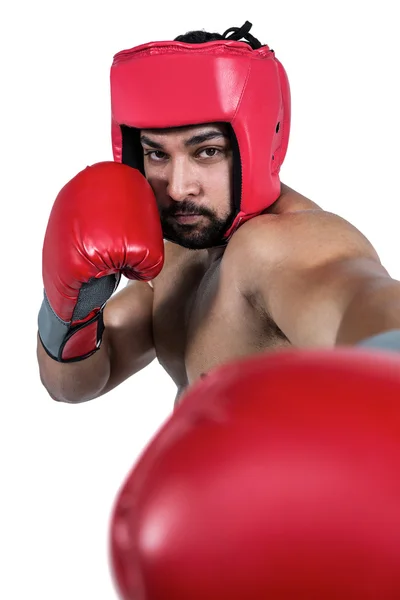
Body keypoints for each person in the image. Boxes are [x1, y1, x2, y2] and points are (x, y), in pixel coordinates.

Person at [36, 21, 400, 408]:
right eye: (158, 154)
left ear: (255, 146)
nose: (178, 188)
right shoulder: (177, 250)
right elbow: (73, 384)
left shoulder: (284, 246)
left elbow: (364, 304)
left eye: (206, 151)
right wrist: (70, 307)